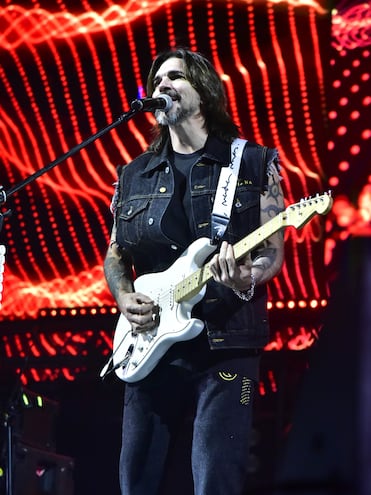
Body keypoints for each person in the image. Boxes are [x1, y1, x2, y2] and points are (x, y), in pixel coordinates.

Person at [104, 48, 285, 495]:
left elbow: (272, 252)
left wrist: (247, 277)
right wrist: (123, 296)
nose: (162, 85)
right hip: (149, 346)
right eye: (157, 79)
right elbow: (115, 254)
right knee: (136, 483)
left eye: (175, 77)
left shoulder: (251, 163)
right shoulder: (134, 175)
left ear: (203, 91)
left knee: (215, 483)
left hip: (226, 345)